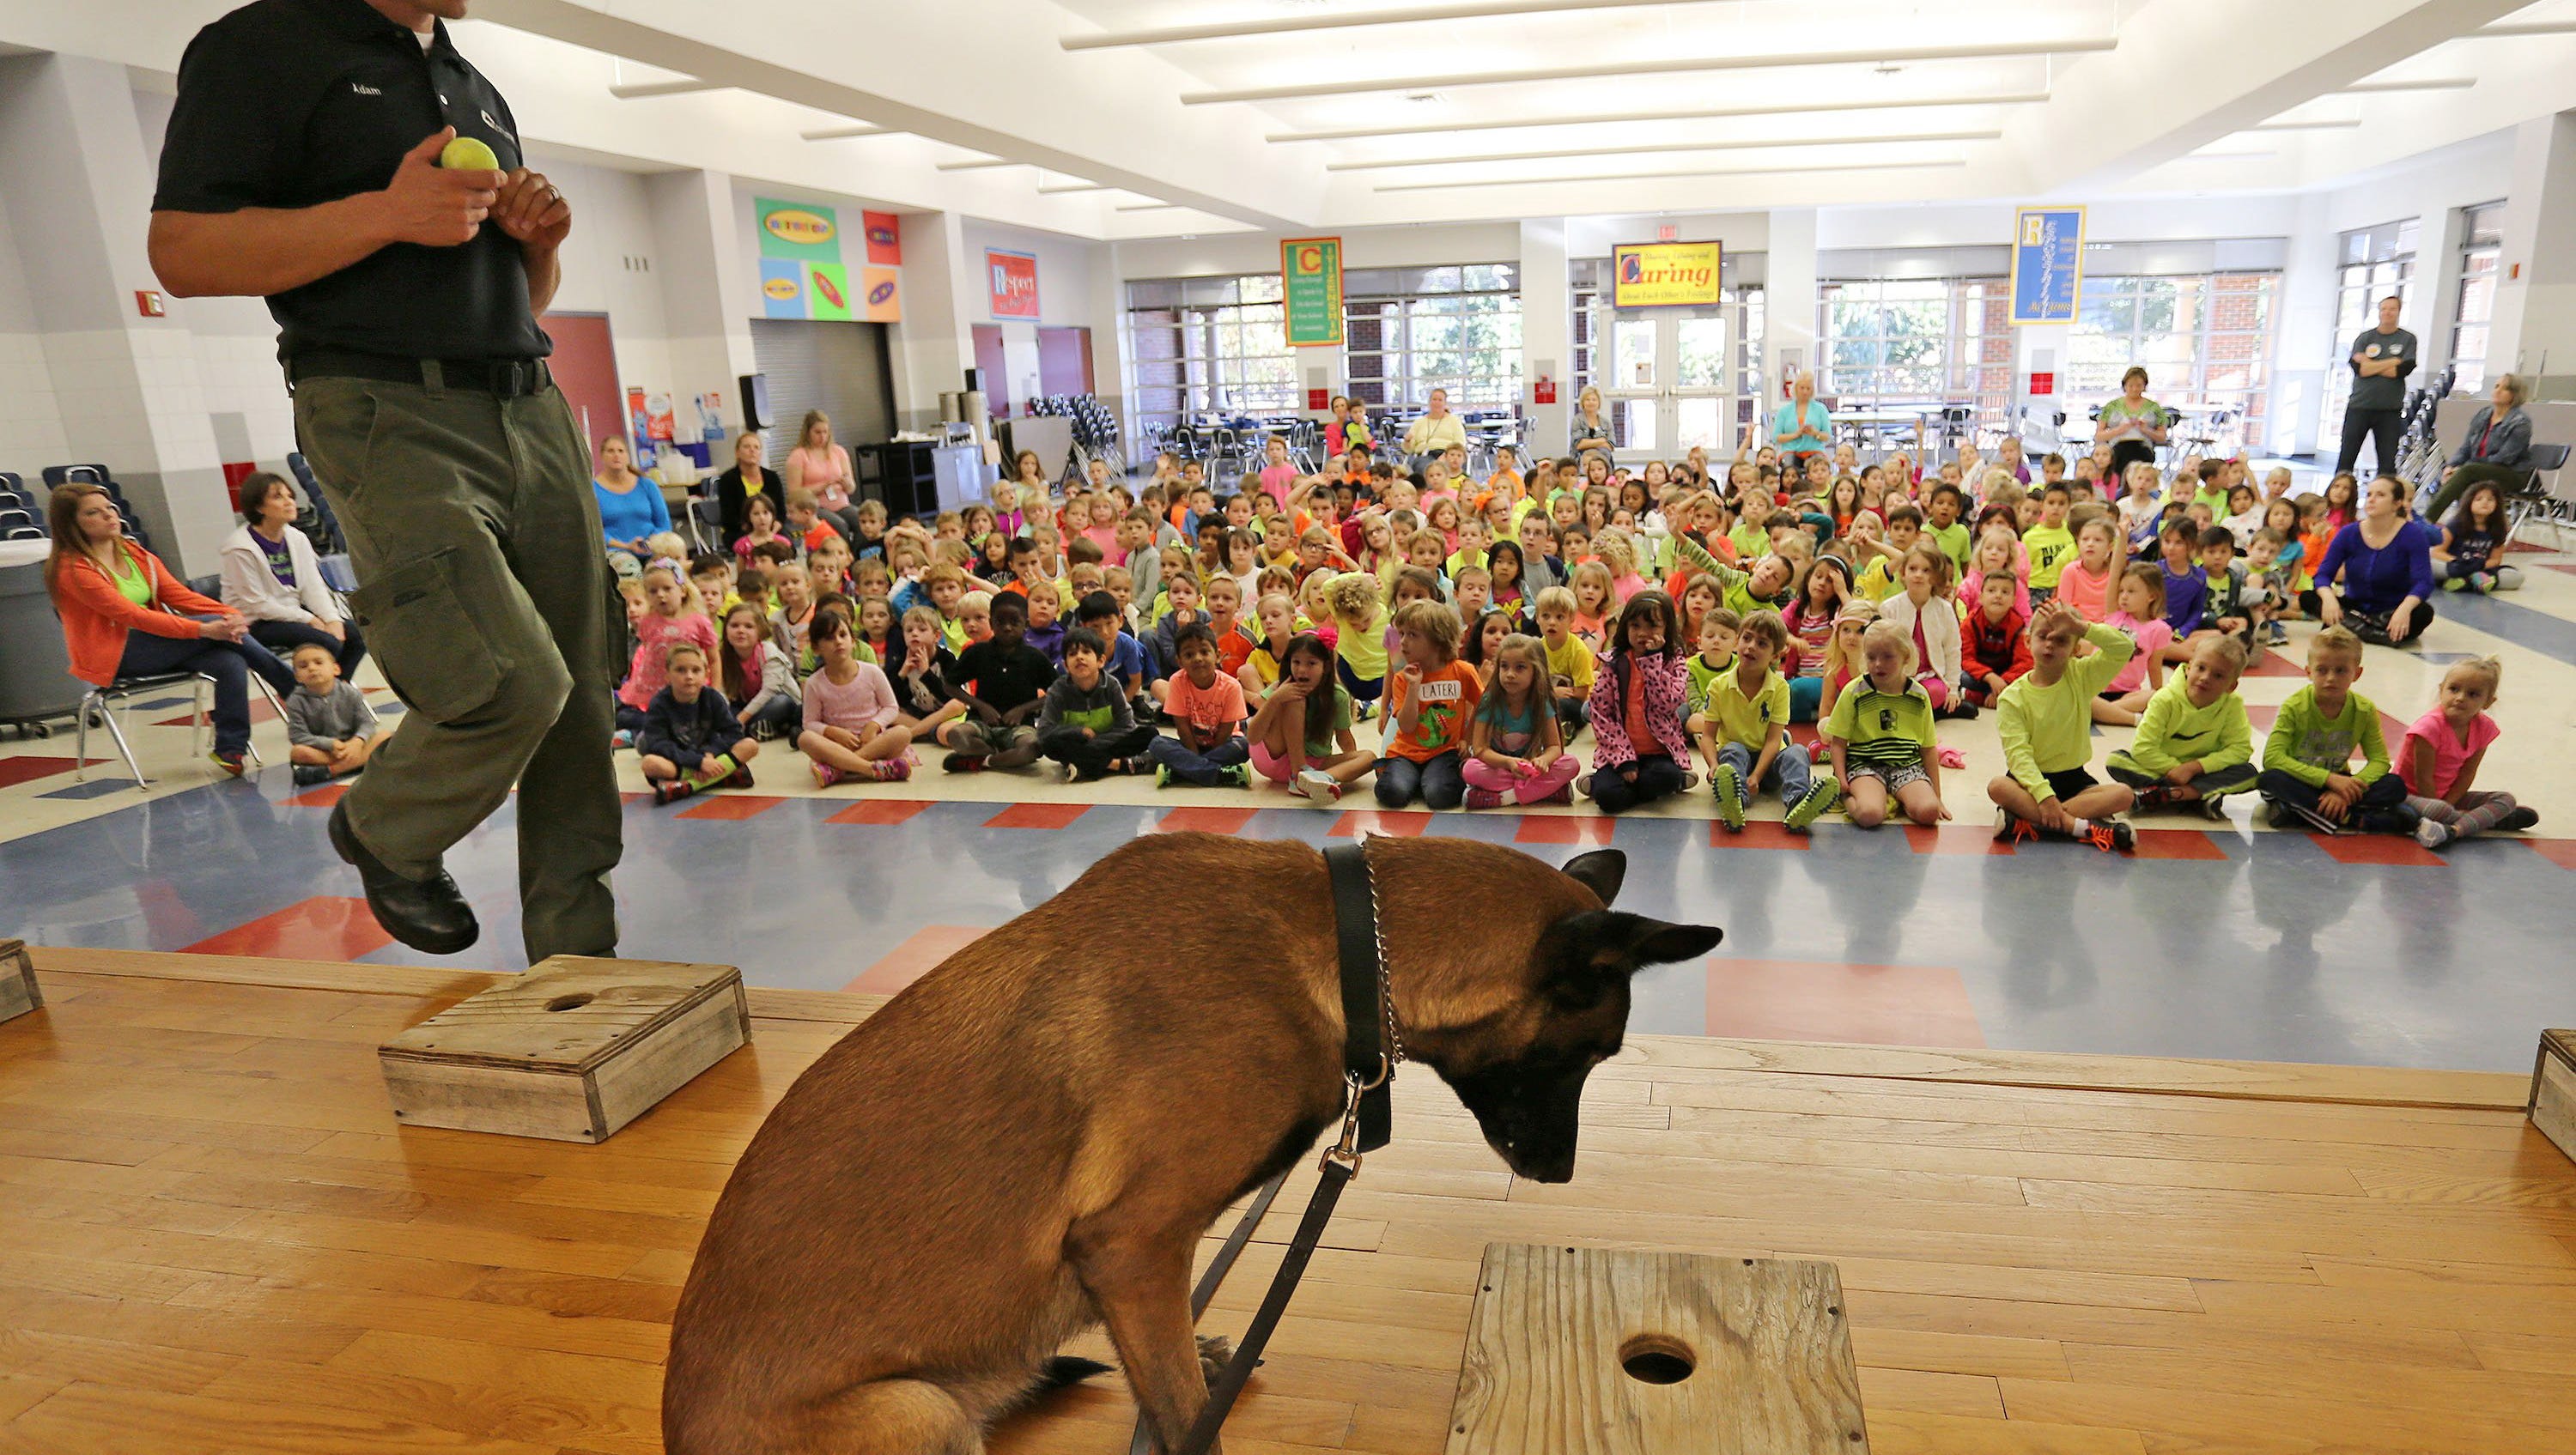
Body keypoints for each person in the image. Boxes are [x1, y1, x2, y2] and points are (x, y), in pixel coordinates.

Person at [151, 0, 617, 959]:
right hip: (384, 405)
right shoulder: (260, 46)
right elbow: (181, 253)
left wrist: (540, 246)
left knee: (582, 700)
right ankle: (387, 827)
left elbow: (516, 302)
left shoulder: (468, 80)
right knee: (512, 680)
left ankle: (581, 964)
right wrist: (386, 214)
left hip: (529, 401)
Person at [46, 481, 296, 777]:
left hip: (157, 645)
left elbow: (180, 597)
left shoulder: (133, 553)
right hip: (114, 655)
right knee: (210, 629)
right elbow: (134, 616)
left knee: (230, 660)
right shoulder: (72, 570)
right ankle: (299, 694)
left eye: (110, 508)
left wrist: (230, 614)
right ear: (71, 525)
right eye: (93, 513)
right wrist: (204, 630)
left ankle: (230, 750)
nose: (109, 516)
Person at [1988, 599, 2139, 852]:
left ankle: (2028, 821)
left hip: (2074, 779)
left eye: (2061, 640)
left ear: (2075, 648)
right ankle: (2080, 828)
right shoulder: (2012, 698)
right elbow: (2018, 756)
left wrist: (2081, 626)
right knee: (1998, 787)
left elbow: (2124, 648)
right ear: (2028, 641)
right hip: (2028, 781)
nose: (2050, 644)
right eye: (2043, 636)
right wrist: (2044, 796)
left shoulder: (2082, 676)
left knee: (2124, 794)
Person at [2257, 625, 2415, 836]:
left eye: (2341, 670)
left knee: (2395, 785)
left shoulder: (2364, 710)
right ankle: (2353, 818)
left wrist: (2346, 790)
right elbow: (2272, 758)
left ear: (2357, 673)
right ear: (2309, 672)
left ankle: (2304, 813)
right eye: (2322, 670)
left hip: (2342, 783)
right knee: (2270, 780)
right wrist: (2328, 780)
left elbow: (2380, 761)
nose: (2331, 678)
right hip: (2300, 780)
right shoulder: (2294, 707)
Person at [222, 470, 366, 677]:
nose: (289, 502)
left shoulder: (297, 538)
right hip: (255, 623)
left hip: (293, 615)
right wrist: (309, 619)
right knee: (326, 642)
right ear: (258, 507)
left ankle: (333, 692)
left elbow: (313, 586)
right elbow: (258, 604)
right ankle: (311, 696)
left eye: (290, 496)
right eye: (278, 497)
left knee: (357, 635)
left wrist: (331, 619)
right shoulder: (239, 548)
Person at [1706, 609, 1837, 830]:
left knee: (1798, 751)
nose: (1751, 647)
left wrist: (1757, 775)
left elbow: (1774, 740)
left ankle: (1798, 803)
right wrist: (1713, 766)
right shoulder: (1718, 686)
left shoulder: (1780, 688)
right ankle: (1735, 802)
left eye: (1762, 643)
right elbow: (1708, 736)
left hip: (1770, 763)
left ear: (1776, 656)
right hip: (1736, 762)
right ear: (1737, 641)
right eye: (1746, 638)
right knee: (1733, 750)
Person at [2105, 634, 2255, 818]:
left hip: (2200, 772)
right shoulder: (2164, 700)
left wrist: (2193, 768)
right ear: (2189, 667)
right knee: (2116, 761)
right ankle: (2197, 796)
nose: (2205, 678)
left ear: (2231, 686)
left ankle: (2164, 795)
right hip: (2163, 770)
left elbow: (2241, 749)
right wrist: (2175, 769)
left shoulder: (2232, 705)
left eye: (2218, 675)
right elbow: (2143, 749)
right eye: (2201, 668)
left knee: (2250, 774)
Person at [2397, 657, 2537, 848]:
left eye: (2473, 694)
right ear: (2441, 690)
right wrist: (2444, 807)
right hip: (2411, 794)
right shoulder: (2429, 727)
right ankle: (2484, 820)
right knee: (2437, 808)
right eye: (2454, 689)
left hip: (2448, 796)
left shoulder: (2484, 728)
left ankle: (2453, 830)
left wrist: (2451, 804)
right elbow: (2423, 778)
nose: (2461, 697)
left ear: (2488, 702)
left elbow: (2467, 774)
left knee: (2506, 799)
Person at [1823, 621, 1945, 829]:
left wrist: (1938, 797)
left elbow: (1928, 748)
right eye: (1871, 657)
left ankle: (1897, 797)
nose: (1878, 664)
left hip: (1907, 766)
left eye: (1888, 657)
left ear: (1906, 657)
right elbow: (1839, 743)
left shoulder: (1919, 696)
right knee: (1870, 815)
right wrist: (1842, 783)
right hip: (1865, 766)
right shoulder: (1855, 691)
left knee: (1929, 812)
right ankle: (1848, 801)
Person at [1376, 598, 1479, 809]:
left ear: (1438, 640)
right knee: (1391, 793)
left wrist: (1467, 740)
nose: (1403, 641)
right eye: (1402, 633)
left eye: (1412, 635)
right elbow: (1406, 726)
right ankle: (1412, 779)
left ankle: (1424, 781)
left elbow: (1484, 706)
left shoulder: (1463, 671)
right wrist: (1414, 687)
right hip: (1405, 753)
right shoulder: (1402, 678)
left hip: (1445, 751)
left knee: (1441, 796)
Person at [1248, 632, 1372, 803]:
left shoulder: (1337, 696)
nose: (1301, 669)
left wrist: (1350, 766)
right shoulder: (1281, 689)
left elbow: (1344, 737)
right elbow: (1253, 736)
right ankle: (1298, 775)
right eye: (1296, 662)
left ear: (1326, 667)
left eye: (1311, 663)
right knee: (1295, 699)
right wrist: (1276, 699)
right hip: (1274, 757)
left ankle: (1321, 779)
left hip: (1315, 763)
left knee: (1369, 757)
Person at [1461, 634, 1580, 809]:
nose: (1510, 674)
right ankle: (1545, 792)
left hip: (1531, 768)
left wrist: (1544, 761)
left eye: (1520, 668)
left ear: (1536, 671)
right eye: (1504, 666)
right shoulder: (1489, 701)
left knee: (1571, 764)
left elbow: (1555, 747)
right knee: (1470, 770)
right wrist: (1509, 763)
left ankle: (1503, 797)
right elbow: (1479, 749)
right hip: (1499, 766)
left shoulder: (1541, 702)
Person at [2315, 475, 2436, 646]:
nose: (2371, 500)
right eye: (2369, 494)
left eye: (2380, 495)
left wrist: (2404, 609)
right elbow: (2323, 574)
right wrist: (2328, 599)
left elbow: (2424, 582)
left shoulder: (2413, 535)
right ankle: (2377, 633)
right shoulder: (2349, 532)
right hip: (2355, 603)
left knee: (2423, 613)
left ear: (2397, 503)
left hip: (2392, 606)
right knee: (2310, 598)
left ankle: (2353, 628)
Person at [798, 609, 914, 785]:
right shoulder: (815, 683)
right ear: (816, 648)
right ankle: (870, 769)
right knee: (805, 739)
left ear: (853, 641)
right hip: (838, 745)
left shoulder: (872, 672)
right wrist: (832, 732)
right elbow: (809, 723)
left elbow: (891, 708)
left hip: (874, 742)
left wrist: (874, 726)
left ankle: (839, 769)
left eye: (843, 635)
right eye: (829, 638)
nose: (838, 642)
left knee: (902, 733)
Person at [943, 591, 1053, 772]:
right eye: (1000, 622)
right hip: (981, 723)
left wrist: (1023, 709)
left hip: (1019, 727)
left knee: (1032, 747)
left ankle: (986, 761)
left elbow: (1057, 692)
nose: (1007, 627)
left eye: (1014, 622)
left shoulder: (1034, 657)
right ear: (992, 623)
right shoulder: (977, 652)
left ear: (1025, 624)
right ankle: (997, 755)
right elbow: (949, 685)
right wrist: (981, 706)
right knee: (956, 735)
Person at [637, 641, 756, 806]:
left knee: (750, 745)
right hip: (680, 760)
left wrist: (709, 754)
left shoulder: (713, 698)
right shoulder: (659, 703)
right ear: (667, 675)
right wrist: (697, 762)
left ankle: (688, 786)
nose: (689, 676)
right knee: (650, 763)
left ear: (706, 674)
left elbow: (733, 733)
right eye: (680, 670)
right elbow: (659, 744)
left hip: (710, 756)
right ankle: (725, 776)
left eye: (696, 670)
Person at [1036, 627, 1157, 780]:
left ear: (1101, 661)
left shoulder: (1111, 685)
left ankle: (1085, 766)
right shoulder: (1058, 690)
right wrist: (1078, 732)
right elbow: (1044, 732)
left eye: (1086, 652)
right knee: (1050, 744)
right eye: (1072, 654)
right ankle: (1118, 765)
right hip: (1076, 744)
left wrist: (1094, 745)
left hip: (1101, 745)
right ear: (1066, 665)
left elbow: (1126, 726)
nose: (1079, 657)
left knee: (1150, 733)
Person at [1144, 622, 1252, 788]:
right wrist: (1194, 755)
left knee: (1245, 746)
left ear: (1217, 655)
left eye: (1204, 652)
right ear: (1179, 661)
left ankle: (1180, 772)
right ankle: (1218, 774)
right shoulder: (1177, 681)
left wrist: (1197, 760)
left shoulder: (1231, 686)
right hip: (1190, 746)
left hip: (1224, 744)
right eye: (1189, 655)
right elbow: (1182, 726)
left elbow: (1227, 727)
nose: (1198, 658)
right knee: (1156, 743)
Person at [2424, 373, 2533, 523]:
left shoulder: (2521, 422)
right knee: (2460, 477)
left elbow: (2505, 458)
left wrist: (2465, 467)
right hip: (2478, 470)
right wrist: (2452, 465)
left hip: (2512, 473)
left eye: (2504, 388)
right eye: (2496, 386)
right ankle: (2466, 529)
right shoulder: (2484, 415)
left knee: (2468, 472)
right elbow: (2466, 448)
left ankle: (2428, 520)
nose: (2497, 391)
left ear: (2515, 395)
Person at [283, 640, 383, 786]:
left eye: (318, 662)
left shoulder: (350, 692)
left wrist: (357, 741)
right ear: (297, 677)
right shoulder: (296, 701)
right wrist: (330, 744)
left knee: (384, 737)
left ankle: (334, 770)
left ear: (336, 669)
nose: (312, 668)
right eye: (303, 666)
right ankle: (359, 762)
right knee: (298, 752)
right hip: (324, 751)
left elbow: (366, 724)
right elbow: (298, 736)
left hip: (353, 745)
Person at [2338, 294, 2418, 478]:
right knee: (2346, 458)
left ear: (2399, 312)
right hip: (2359, 406)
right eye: (2384, 309)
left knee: (2387, 462)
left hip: (2389, 410)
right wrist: (2392, 361)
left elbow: (2401, 371)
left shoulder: (2407, 339)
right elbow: (2361, 370)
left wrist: (2371, 363)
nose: (2387, 313)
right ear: (2379, 312)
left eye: (2392, 309)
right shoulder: (2365, 338)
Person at [784, 409, 863, 542]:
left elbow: (851, 488)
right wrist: (822, 486)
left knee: (862, 521)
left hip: (842, 504)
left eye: (825, 432)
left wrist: (846, 483)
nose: (822, 437)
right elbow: (794, 493)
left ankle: (855, 554)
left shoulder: (839, 452)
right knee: (839, 526)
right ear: (808, 433)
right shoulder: (799, 455)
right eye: (818, 432)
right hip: (817, 507)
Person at [592, 433, 667, 559]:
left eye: (621, 451)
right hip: (616, 552)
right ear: (601, 456)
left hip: (651, 548)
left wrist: (648, 543)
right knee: (630, 569)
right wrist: (627, 546)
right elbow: (594, 531)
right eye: (610, 451)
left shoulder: (647, 485)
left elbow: (663, 524)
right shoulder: (593, 489)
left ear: (627, 456)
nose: (616, 455)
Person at [2095, 367, 2170, 482]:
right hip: (2118, 446)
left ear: (2144, 386)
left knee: (2139, 456)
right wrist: (2119, 430)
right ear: (2124, 385)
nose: (2134, 389)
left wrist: (2145, 430)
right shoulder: (2112, 406)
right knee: (2121, 455)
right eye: (2131, 385)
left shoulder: (2154, 408)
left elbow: (2162, 438)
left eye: (2139, 385)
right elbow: (2099, 436)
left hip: (2143, 447)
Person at [713, 429, 778, 546]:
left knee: (787, 545)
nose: (752, 450)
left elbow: (781, 511)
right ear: (737, 453)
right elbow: (728, 517)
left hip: (771, 528)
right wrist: (754, 530)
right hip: (740, 530)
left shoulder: (772, 477)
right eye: (747, 447)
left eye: (756, 447)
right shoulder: (728, 479)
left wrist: (772, 528)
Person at [1771, 373, 1833, 473]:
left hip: (1815, 451)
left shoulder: (1821, 409)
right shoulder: (1784, 411)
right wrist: (1795, 435)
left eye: (1808, 389)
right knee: (1790, 468)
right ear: (1795, 389)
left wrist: (1816, 433)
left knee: (1818, 469)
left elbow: (1828, 437)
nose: (1805, 392)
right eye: (1802, 388)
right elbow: (1776, 437)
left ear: (1812, 390)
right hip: (1790, 451)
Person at [1400, 388, 1468, 469]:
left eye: (1440, 400)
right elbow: (1409, 450)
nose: (1437, 402)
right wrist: (1407, 441)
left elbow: (1460, 443)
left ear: (1445, 403)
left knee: (1446, 468)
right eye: (1434, 399)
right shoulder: (1419, 422)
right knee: (1425, 468)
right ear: (1430, 402)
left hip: (1448, 455)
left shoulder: (1454, 420)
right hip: (1425, 455)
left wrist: (1446, 455)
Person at [1570, 385, 1615, 460]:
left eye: (1594, 400)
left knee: (1604, 452)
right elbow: (1579, 445)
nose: (1591, 402)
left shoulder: (1606, 423)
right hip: (1580, 460)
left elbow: (1611, 446)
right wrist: (1602, 440)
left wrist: (1588, 443)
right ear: (1583, 402)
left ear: (1599, 402)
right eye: (1587, 400)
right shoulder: (1577, 420)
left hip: (1604, 460)